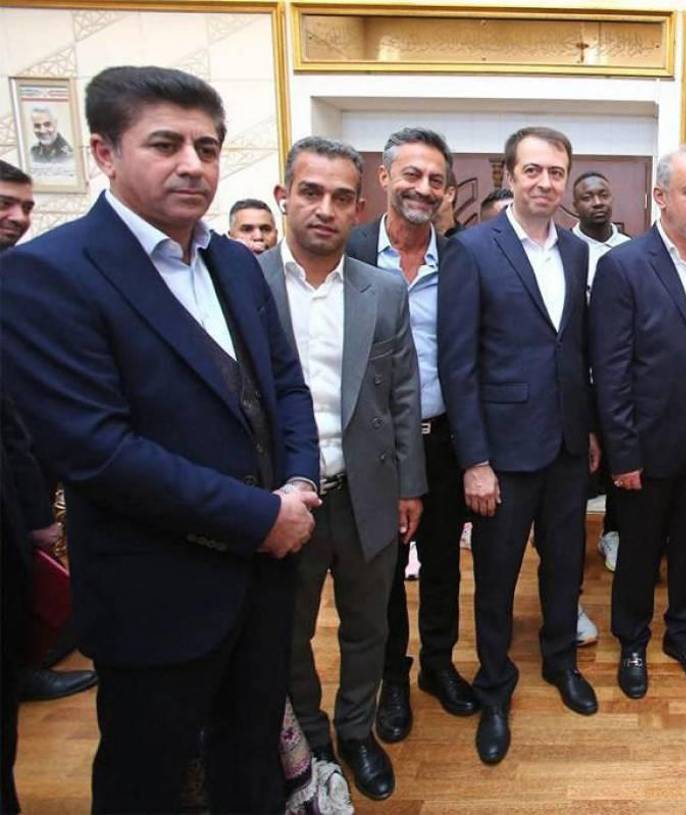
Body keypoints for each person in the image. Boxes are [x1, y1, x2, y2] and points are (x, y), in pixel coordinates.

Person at [0, 66, 320, 813]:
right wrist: (262, 518)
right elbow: (98, 451)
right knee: (151, 775)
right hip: (157, 593)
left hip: (264, 581)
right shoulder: (47, 275)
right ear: (105, 153)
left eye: (207, 147)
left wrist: (300, 485)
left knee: (250, 762)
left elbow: (286, 390)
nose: (193, 165)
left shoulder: (235, 265)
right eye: (166, 144)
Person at [261, 136, 425, 801]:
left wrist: (411, 484)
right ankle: (311, 737)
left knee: (368, 624)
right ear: (284, 197)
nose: (324, 209)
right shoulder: (247, 282)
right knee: (289, 631)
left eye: (339, 196)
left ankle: (357, 730)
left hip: (370, 490)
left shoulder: (383, 290)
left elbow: (405, 392)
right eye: (310, 192)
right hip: (283, 500)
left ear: (360, 206)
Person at [438, 126, 600, 764]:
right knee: (498, 578)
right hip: (501, 455)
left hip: (564, 447)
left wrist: (587, 428)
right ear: (508, 175)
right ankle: (495, 686)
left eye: (556, 172)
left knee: (566, 566)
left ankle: (560, 662)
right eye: (532, 170)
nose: (545, 183)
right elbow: (459, 364)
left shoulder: (578, 253)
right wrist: (474, 461)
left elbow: (576, 350)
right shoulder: (472, 249)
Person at [346, 127, 481, 741]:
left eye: (435, 180)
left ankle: (437, 665)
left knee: (445, 566)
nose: (422, 189)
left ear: (447, 190)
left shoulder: (462, 261)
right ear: (384, 176)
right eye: (411, 175)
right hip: (371, 447)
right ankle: (392, 680)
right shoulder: (347, 253)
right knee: (384, 567)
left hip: (444, 440)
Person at [590, 147, 686, 699]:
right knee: (640, 550)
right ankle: (632, 641)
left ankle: (683, 635)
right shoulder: (623, 266)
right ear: (660, 197)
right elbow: (611, 369)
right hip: (647, 445)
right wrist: (623, 454)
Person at [0, 160, 99, 705]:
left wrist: (37, 511)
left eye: (27, 207)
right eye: (5, 205)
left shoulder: (23, 279)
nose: (17, 218)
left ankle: (22, 669)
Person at [571, 170, 631, 579]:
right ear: (574, 205)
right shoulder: (563, 248)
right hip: (576, 378)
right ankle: (568, 544)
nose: (597, 202)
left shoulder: (630, 250)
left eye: (603, 193)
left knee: (622, 462)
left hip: (621, 377)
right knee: (576, 470)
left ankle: (614, 532)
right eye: (587, 196)